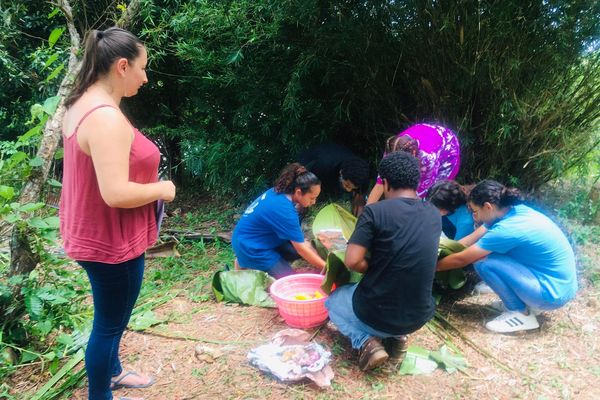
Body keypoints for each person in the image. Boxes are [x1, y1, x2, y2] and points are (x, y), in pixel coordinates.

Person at [60, 27, 176, 400]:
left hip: (94, 232)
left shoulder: (80, 103)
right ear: (122, 66)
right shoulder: (105, 117)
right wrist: (163, 188)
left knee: (110, 319)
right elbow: (115, 193)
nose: (146, 78)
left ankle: (113, 371)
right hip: (110, 241)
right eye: (143, 69)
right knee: (109, 325)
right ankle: (101, 393)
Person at [325, 152, 441, 371]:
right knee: (394, 290)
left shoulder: (374, 211)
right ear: (417, 182)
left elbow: (352, 261)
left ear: (385, 182)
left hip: (377, 314)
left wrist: (372, 267)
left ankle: (365, 342)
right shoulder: (433, 213)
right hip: (419, 315)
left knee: (333, 301)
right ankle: (398, 338)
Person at [436, 180, 578, 333]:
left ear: (488, 207)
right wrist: (448, 247)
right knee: (489, 254)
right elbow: (466, 243)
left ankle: (521, 314)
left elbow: (463, 259)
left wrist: (429, 267)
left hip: (550, 294)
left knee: (483, 261)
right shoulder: (512, 211)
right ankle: (524, 302)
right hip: (559, 286)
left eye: (475, 211)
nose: (474, 217)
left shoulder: (506, 229)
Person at [232, 163, 327, 279]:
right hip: (251, 247)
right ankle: (246, 262)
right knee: (290, 280)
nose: (314, 202)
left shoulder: (280, 192)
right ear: (298, 192)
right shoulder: (284, 209)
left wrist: (320, 259)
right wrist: (327, 268)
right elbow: (301, 248)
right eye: (312, 198)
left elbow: (301, 242)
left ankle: (246, 261)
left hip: (257, 238)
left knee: (296, 251)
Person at [367, 123, 460, 203]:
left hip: (447, 149)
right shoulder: (392, 148)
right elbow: (381, 181)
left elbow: (420, 192)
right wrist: (366, 215)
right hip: (426, 134)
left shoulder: (427, 158)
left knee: (433, 192)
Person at [297, 144, 370, 216]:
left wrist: (359, 204)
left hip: (337, 160)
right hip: (313, 160)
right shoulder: (323, 165)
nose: (348, 190)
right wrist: (302, 202)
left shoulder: (362, 175)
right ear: (341, 173)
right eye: (347, 185)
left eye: (352, 188)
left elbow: (361, 193)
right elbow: (305, 180)